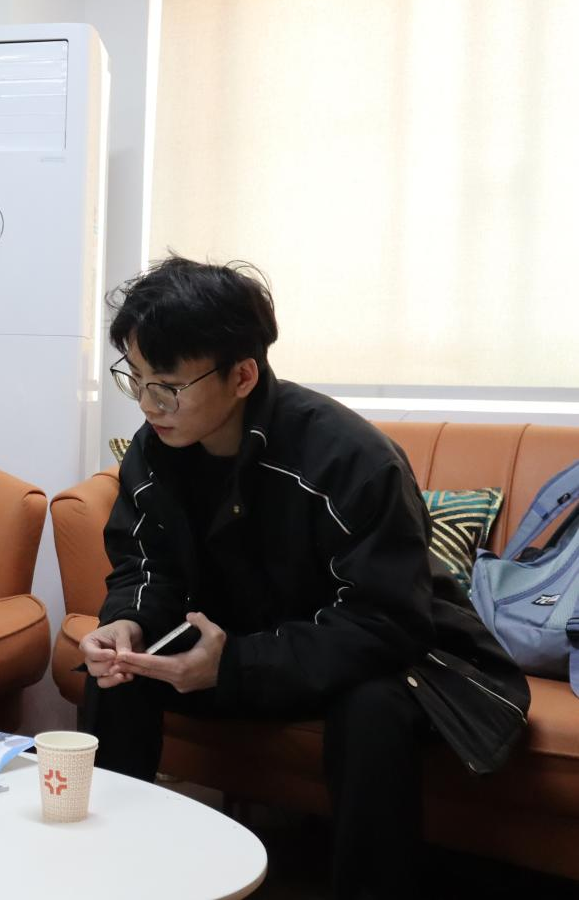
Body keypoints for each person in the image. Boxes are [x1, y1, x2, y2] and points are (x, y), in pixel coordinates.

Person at [79, 255, 528, 899]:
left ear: (242, 375)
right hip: (246, 647)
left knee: (373, 708)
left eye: (169, 386)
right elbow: (145, 563)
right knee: (115, 674)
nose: (150, 404)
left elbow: (386, 623)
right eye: (136, 378)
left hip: (376, 658)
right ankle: (103, 874)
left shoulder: (351, 458)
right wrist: (127, 621)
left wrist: (234, 665)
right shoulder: (156, 450)